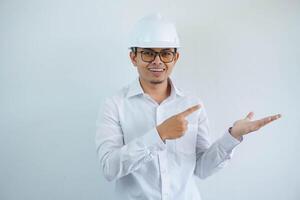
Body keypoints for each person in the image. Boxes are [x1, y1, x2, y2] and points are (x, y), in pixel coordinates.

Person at [95, 13, 281, 200]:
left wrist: (233, 136)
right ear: (133, 57)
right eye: (148, 53)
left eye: (166, 53)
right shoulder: (114, 105)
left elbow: (202, 169)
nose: (158, 61)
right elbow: (110, 168)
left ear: (175, 58)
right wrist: (159, 135)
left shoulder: (192, 105)